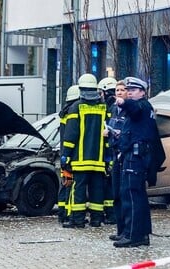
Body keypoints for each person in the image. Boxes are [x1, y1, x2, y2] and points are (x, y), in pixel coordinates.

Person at [113, 77, 165, 248]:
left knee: (131, 197)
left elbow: (134, 108)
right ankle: (139, 233)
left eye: (133, 90)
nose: (129, 92)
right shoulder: (142, 108)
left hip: (135, 158)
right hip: (134, 156)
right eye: (128, 90)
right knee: (138, 197)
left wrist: (123, 102)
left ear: (143, 92)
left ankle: (132, 235)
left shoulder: (141, 105)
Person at [61, 74, 107, 228]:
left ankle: (78, 220)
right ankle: (96, 220)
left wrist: (65, 155)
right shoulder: (103, 107)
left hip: (80, 159)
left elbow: (71, 135)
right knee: (97, 190)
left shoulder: (76, 107)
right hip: (99, 159)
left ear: (80, 88)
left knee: (78, 189)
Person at [105, 80, 128, 240]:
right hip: (115, 154)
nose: (119, 92)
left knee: (125, 195)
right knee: (117, 196)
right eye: (117, 90)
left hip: (125, 156)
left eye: (122, 90)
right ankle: (120, 231)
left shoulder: (130, 110)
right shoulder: (114, 109)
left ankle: (127, 231)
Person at [57, 85, 80, 224]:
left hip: (65, 154)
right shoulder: (72, 113)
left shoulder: (64, 113)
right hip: (71, 155)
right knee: (70, 186)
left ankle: (62, 213)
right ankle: (67, 214)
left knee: (65, 185)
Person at [98, 77, 118, 225]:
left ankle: (112, 215)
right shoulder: (109, 107)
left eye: (101, 93)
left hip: (112, 154)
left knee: (111, 186)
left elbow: (115, 130)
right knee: (108, 185)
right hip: (109, 154)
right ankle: (110, 215)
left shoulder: (113, 107)